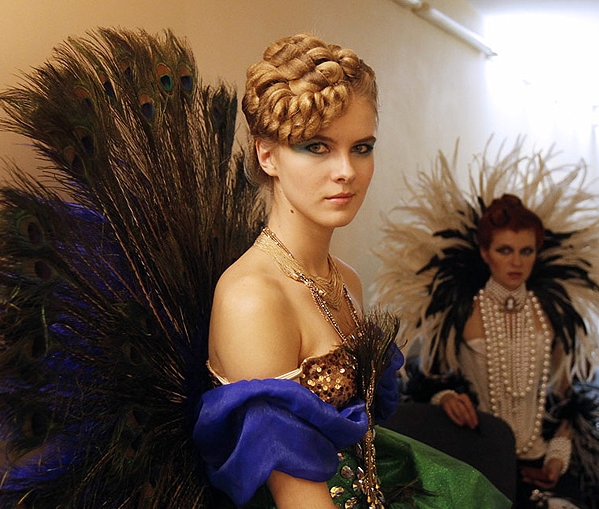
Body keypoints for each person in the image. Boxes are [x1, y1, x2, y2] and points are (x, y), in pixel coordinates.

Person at [193, 33, 511, 509]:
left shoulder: (345, 279)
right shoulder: (252, 298)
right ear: (267, 154)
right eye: (316, 147)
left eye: (361, 147)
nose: (347, 170)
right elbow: (296, 495)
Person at [427, 194, 577, 507]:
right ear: (485, 252)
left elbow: (567, 401)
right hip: (479, 459)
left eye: (526, 251)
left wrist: (557, 459)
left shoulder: (550, 314)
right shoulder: (463, 312)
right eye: (504, 250)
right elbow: (431, 381)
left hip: (539, 462)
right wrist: (447, 398)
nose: (516, 262)